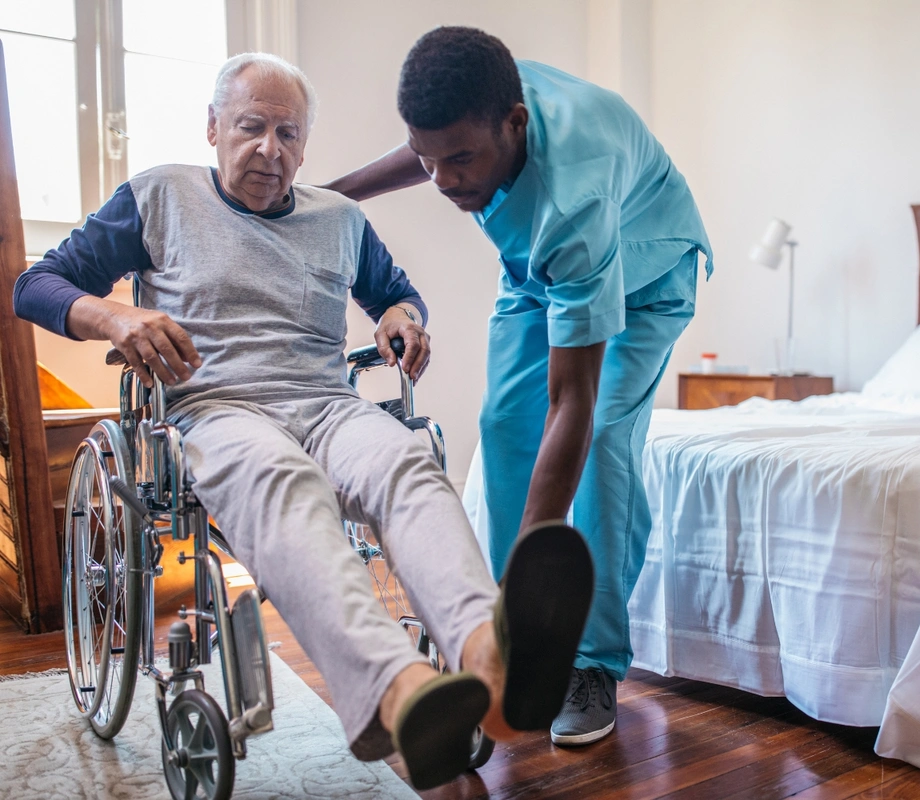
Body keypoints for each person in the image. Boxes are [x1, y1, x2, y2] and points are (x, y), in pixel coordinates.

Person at [13, 52, 593, 790]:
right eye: (251, 127)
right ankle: (400, 693)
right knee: (285, 482)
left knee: (406, 463)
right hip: (216, 404)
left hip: (326, 402)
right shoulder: (158, 195)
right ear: (214, 127)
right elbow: (35, 285)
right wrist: (112, 314)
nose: (270, 148)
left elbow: (397, 293)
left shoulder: (339, 218)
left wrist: (402, 319)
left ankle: (489, 657)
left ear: (306, 146)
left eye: (288, 133)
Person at [325, 26, 712, 746]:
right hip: (543, 274)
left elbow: (573, 401)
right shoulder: (482, 90)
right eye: (428, 159)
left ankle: (587, 660)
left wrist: (538, 577)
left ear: (516, 125)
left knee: (600, 440)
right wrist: (336, 195)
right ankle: (496, 647)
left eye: (460, 160)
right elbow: (433, 148)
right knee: (505, 429)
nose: (443, 180)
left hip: (645, 275)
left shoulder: (573, 196)